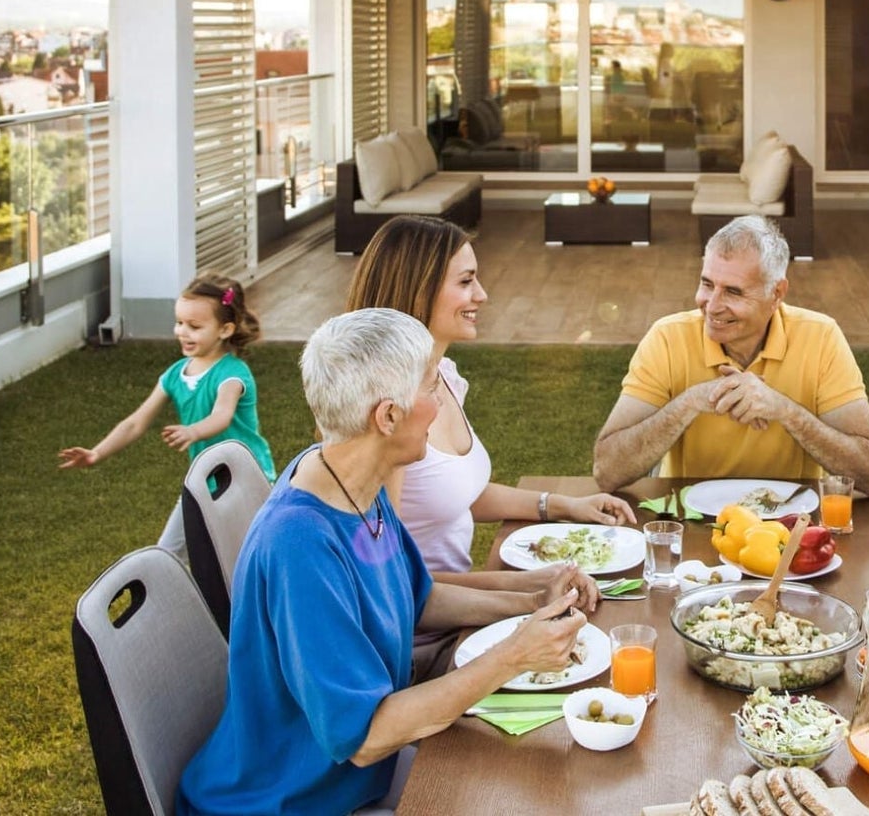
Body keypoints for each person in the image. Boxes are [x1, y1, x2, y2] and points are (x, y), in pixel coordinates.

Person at [176, 309, 591, 815]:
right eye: (430, 388)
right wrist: (513, 655)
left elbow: (420, 597)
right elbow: (367, 735)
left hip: (352, 777)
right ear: (388, 416)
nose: (439, 406)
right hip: (293, 799)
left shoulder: (347, 480)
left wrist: (531, 600)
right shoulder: (301, 547)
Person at [345, 215, 628, 676]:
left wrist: (562, 505)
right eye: (466, 281)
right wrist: (525, 596)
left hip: (462, 619)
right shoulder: (387, 417)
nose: (482, 295)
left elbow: (459, 491)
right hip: (421, 648)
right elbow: (392, 585)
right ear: (419, 291)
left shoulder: (443, 378)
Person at [593, 216, 869, 495]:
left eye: (733, 292)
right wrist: (691, 402)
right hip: (690, 522)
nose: (712, 305)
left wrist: (784, 410)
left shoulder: (821, 337)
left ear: (776, 293)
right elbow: (607, 472)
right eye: (707, 284)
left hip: (791, 526)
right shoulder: (667, 338)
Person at [57, 275, 275, 555]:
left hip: (246, 481)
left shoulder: (232, 374)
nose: (183, 332)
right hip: (203, 482)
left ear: (225, 329)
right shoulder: (175, 375)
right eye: (179, 323)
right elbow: (136, 422)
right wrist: (96, 454)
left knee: (251, 555)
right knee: (166, 553)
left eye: (194, 326)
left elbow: (222, 415)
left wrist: (193, 431)